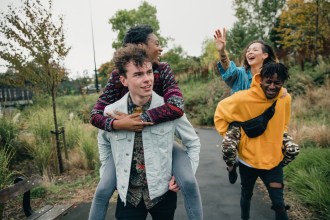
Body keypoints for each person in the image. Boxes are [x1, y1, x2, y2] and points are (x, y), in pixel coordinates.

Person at [89, 25, 203, 220]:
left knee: (189, 183)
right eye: (138, 74)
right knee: (102, 191)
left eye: (149, 72)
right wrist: (117, 124)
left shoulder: (163, 69)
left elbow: (177, 108)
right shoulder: (115, 99)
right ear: (124, 80)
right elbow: (98, 121)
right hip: (130, 195)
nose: (147, 79)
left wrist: (143, 118)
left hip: (161, 187)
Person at [213, 28, 298, 184]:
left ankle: (271, 170)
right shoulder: (239, 73)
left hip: (267, 122)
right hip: (241, 122)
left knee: (292, 150)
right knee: (228, 146)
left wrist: (282, 92)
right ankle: (232, 167)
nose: (249, 52)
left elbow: (280, 89)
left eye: (255, 50)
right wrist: (222, 52)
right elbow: (227, 69)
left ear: (265, 55)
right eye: (248, 50)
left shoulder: (272, 76)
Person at [214, 62, 299, 220]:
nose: (272, 86)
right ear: (261, 80)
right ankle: (231, 166)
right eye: (268, 81)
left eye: (277, 83)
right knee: (246, 194)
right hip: (249, 161)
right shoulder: (243, 98)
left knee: (279, 204)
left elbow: (284, 122)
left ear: (283, 83)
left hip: (273, 162)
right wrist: (234, 134)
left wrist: (281, 137)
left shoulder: (285, 99)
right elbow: (220, 111)